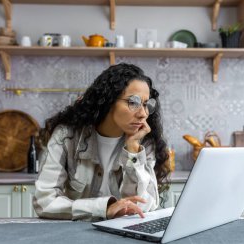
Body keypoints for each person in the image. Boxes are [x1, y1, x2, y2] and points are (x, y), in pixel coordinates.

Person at [33, 63, 169, 221]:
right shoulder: (67, 136)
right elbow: (44, 202)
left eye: (146, 104)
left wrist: (132, 151)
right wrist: (104, 208)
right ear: (108, 101)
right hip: (76, 234)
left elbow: (144, 205)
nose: (143, 114)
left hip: (125, 235)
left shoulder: (143, 141)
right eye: (133, 102)